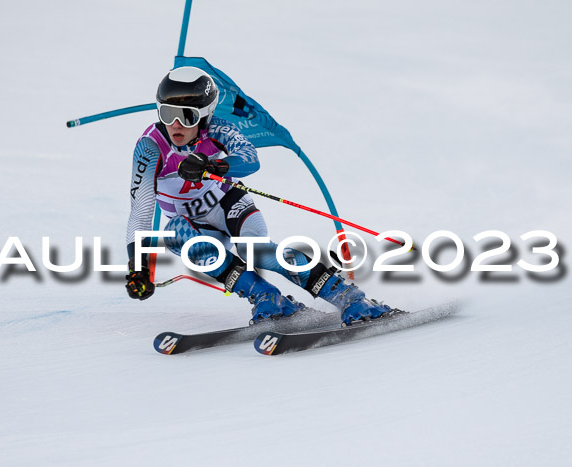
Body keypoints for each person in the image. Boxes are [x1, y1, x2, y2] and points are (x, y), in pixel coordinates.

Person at [125, 66, 391, 325]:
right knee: (174, 234)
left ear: (204, 115)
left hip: (229, 205)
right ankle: (269, 298)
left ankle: (349, 296)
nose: (175, 124)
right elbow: (141, 210)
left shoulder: (218, 129)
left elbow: (250, 159)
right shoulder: (150, 147)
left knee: (259, 254)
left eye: (187, 116)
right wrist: (138, 266)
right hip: (193, 225)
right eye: (167, 113)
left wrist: (214, 166)